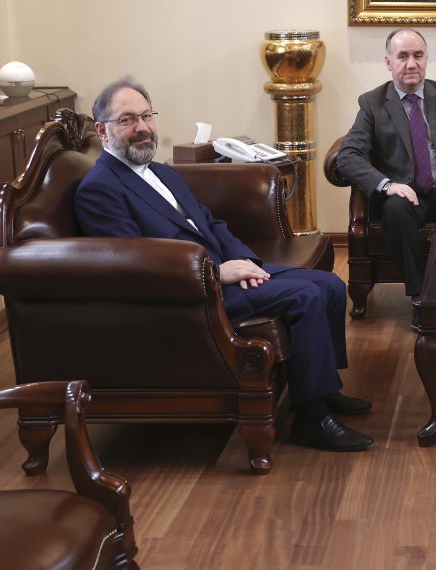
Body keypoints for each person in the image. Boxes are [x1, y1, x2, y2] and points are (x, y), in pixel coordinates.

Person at [74, 77, 374, 451]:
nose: (142, 127)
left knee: (330, 285)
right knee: (306, 296)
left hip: (223, 271)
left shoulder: (161, 171)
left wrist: (242, 259)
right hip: (193, 293)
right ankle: (312, 419)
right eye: (127, 119)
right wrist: (217, 274)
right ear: (102, 130)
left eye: (146, 116)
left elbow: (210, 222)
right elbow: (135, 265)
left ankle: (323, 388)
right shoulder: (99, 188)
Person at [337, 28, 436, 297]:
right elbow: (348, 156)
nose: (411, 64)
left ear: (426, 59)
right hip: (406, 194)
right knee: (396, 212)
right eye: (403, 56)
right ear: (388, 62)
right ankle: (420, 294)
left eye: (418, 55)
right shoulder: (373, 103)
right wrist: (388, 186)